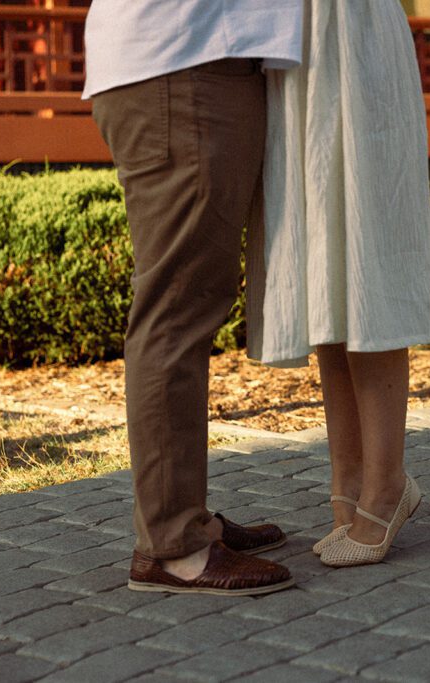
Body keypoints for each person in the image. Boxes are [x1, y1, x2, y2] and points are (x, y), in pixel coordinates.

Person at [82, 1, 305, 595]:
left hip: (189, 62)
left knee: (187, 303)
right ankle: (173, 546)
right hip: (184, 68)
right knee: (176, 309)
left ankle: (184, 520)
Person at [245, 0, 430, 566]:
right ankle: (350, 477)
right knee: (322, 274)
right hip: (288, 50)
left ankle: (386, 483)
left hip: (355, 41)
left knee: (363, 258)